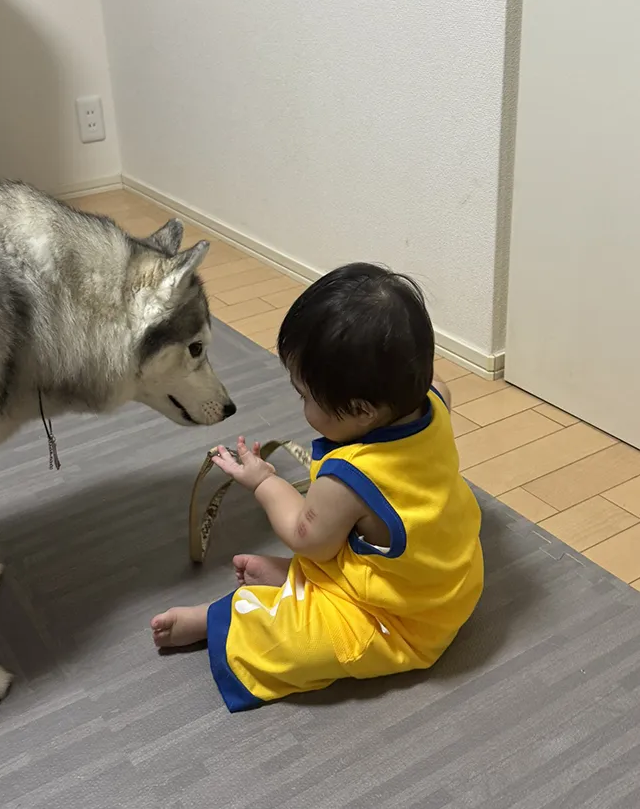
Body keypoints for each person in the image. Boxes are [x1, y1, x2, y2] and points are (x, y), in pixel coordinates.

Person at [151, 262, 483, 712]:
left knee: (302, 642)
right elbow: (440, 383)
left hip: (398, 621)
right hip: (451, 580)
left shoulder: (350, 477)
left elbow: (308, 538)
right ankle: (298, 584)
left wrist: (263, 479)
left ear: (364, 411)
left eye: (305, 396)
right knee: (354, 544)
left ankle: (220, 618)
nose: (301, 404)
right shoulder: (433, 404)